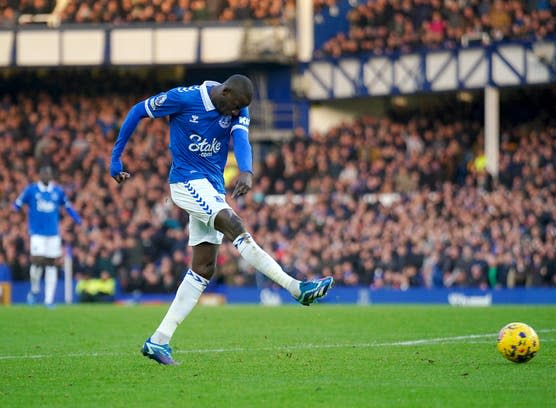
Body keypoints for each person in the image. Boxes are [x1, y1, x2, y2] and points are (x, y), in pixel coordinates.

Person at [110, 74, 334, 365]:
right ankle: (295, 288)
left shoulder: (239, 106)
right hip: (186, 182)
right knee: (235, 225)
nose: (234, 112)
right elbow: (138, 110)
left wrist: (247, 170)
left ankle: (158, 340)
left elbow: (241, 139)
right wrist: (116, 158)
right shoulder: (185, 98)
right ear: (225, 92)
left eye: (239, 108)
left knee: (203, 268)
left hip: (212, 186)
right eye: (233, 106)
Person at [12, 166, 82, 307]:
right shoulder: (31, 190)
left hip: (53, 235)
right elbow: (17, 205)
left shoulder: (58, 191)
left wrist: (77, 219)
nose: (46, 176)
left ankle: (48, 301)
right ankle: (35, 289)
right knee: (37, 261)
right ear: (40, 175)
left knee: (51, 265)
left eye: (48, 174)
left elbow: (67, 206)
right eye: (44, 173)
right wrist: (15, 216)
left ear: (51, 176)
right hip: (37, 233)